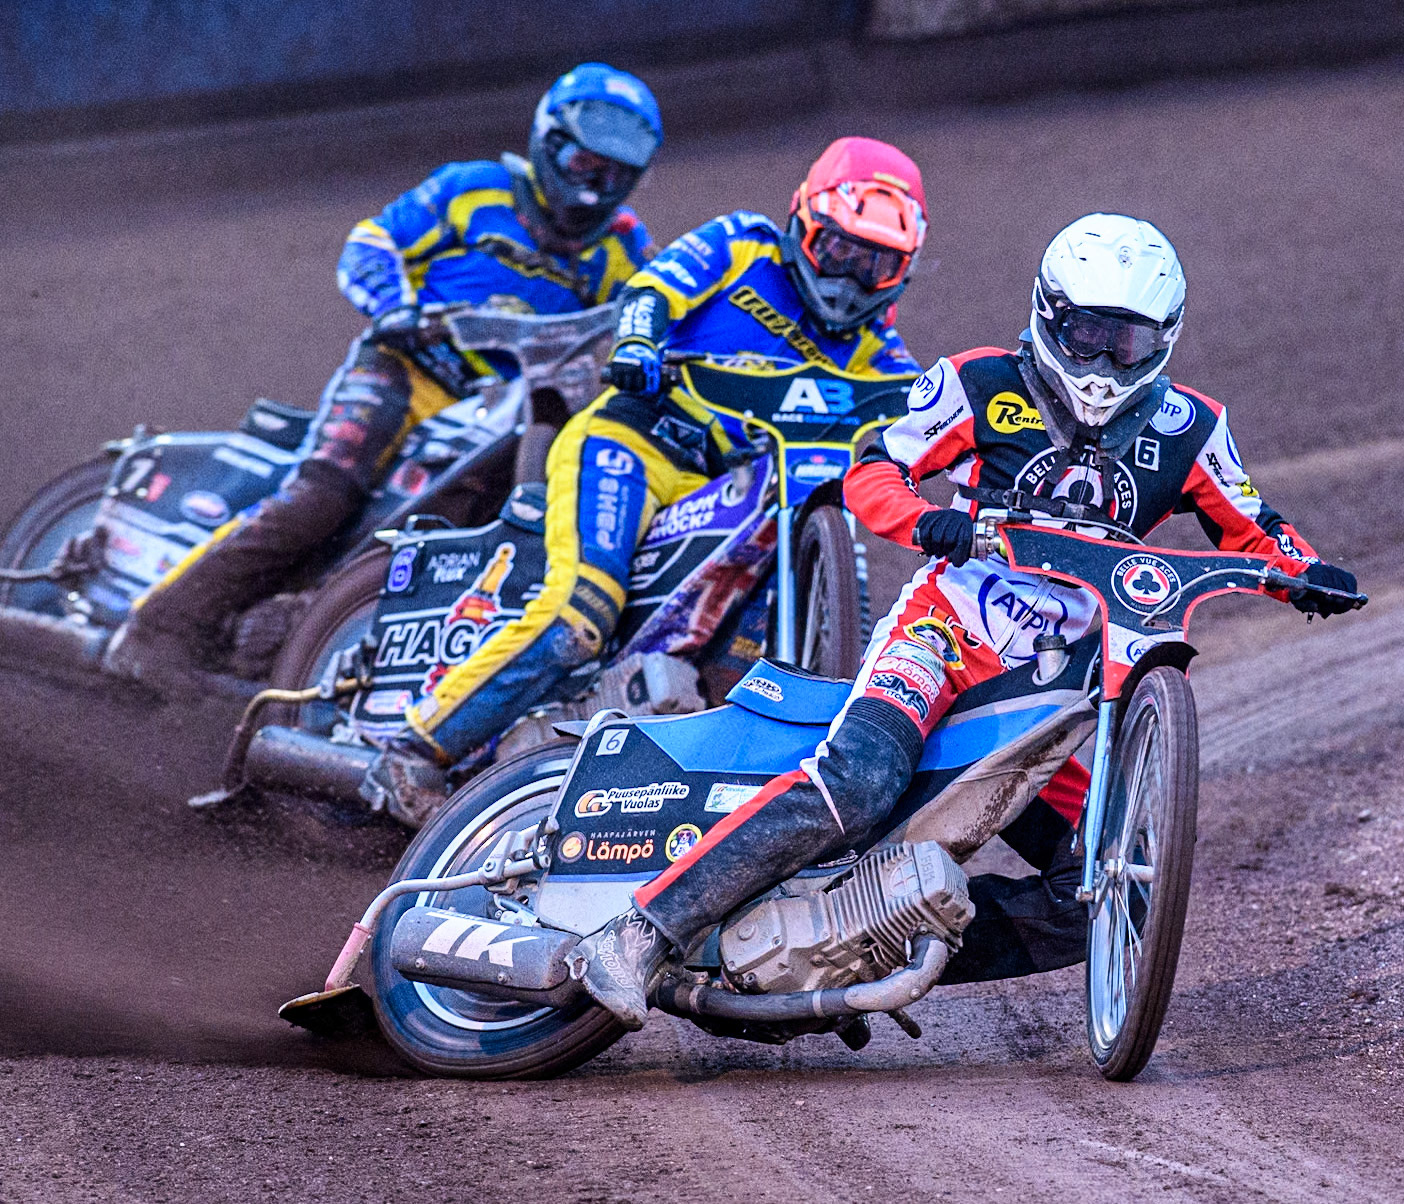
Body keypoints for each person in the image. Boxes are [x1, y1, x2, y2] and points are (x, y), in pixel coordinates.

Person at [574, 213, 1362, 1029]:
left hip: (1047, 692)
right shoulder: (979, 380)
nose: (1098, 360)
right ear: (1048, 315)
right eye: (1085, 334)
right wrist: (925, 521)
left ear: (1162, 339)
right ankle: (635, 932)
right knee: (860, 779)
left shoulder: (1190, 427)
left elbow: (1252, 524)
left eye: (1122, 343)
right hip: (943, 637)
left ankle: (856, 950)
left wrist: (1304, 574)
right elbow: (874, 466)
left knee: (1094, 893)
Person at [360, 136, 930, 826]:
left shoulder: (885, 360)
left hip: (730, 497)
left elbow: (934, 429)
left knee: (740, 657)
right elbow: (650, 289)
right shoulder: (742, 243)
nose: (847, 277)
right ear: (802, 222)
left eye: (874, 264)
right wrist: (636, 345)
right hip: (631, 444)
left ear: (902, 272)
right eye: (838, 250)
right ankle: (413, 750)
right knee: (583, 610)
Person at [105, 63, 662, 684]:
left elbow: (649, 312)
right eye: (588, 163)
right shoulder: (475, 187)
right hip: (408, 371)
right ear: (549, 142)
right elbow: (372, 240)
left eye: (615, 172)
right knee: (322, 495)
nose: (597, 183)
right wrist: (395, 308)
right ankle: (158, 625)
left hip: (519, 412)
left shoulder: (628, 250)